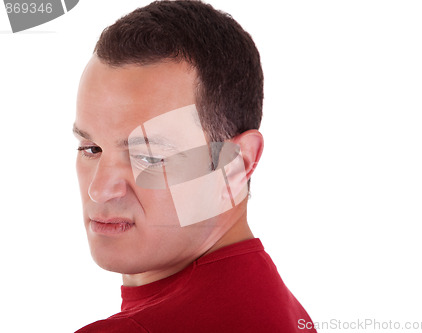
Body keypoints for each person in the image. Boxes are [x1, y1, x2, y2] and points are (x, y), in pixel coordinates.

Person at [73, 1, 316, 332]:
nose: (99, 189)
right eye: (91, 148)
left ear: (237, 163)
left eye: (150, 157)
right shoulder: (283, 311)